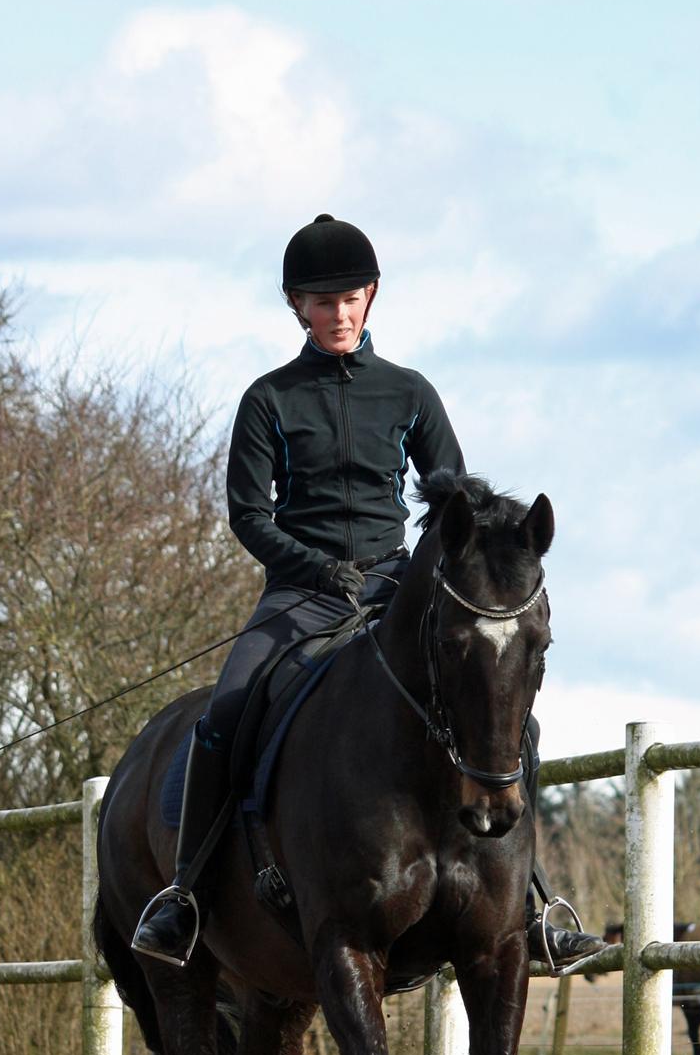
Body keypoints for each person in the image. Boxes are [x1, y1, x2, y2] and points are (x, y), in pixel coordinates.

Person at [133, 214, 603, 971]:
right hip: (303, 594)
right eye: (323, 302)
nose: (339, 313)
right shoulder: (269, 400)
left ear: (371, 297)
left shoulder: (409, 393)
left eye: (351, 298)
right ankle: (184, 896)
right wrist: (316, 569)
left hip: (394, 590)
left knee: (514, 723)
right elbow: (249, 515)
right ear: (298, 308)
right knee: (226, 709)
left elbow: (460, 506)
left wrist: (424, 570)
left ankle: (533, 904)